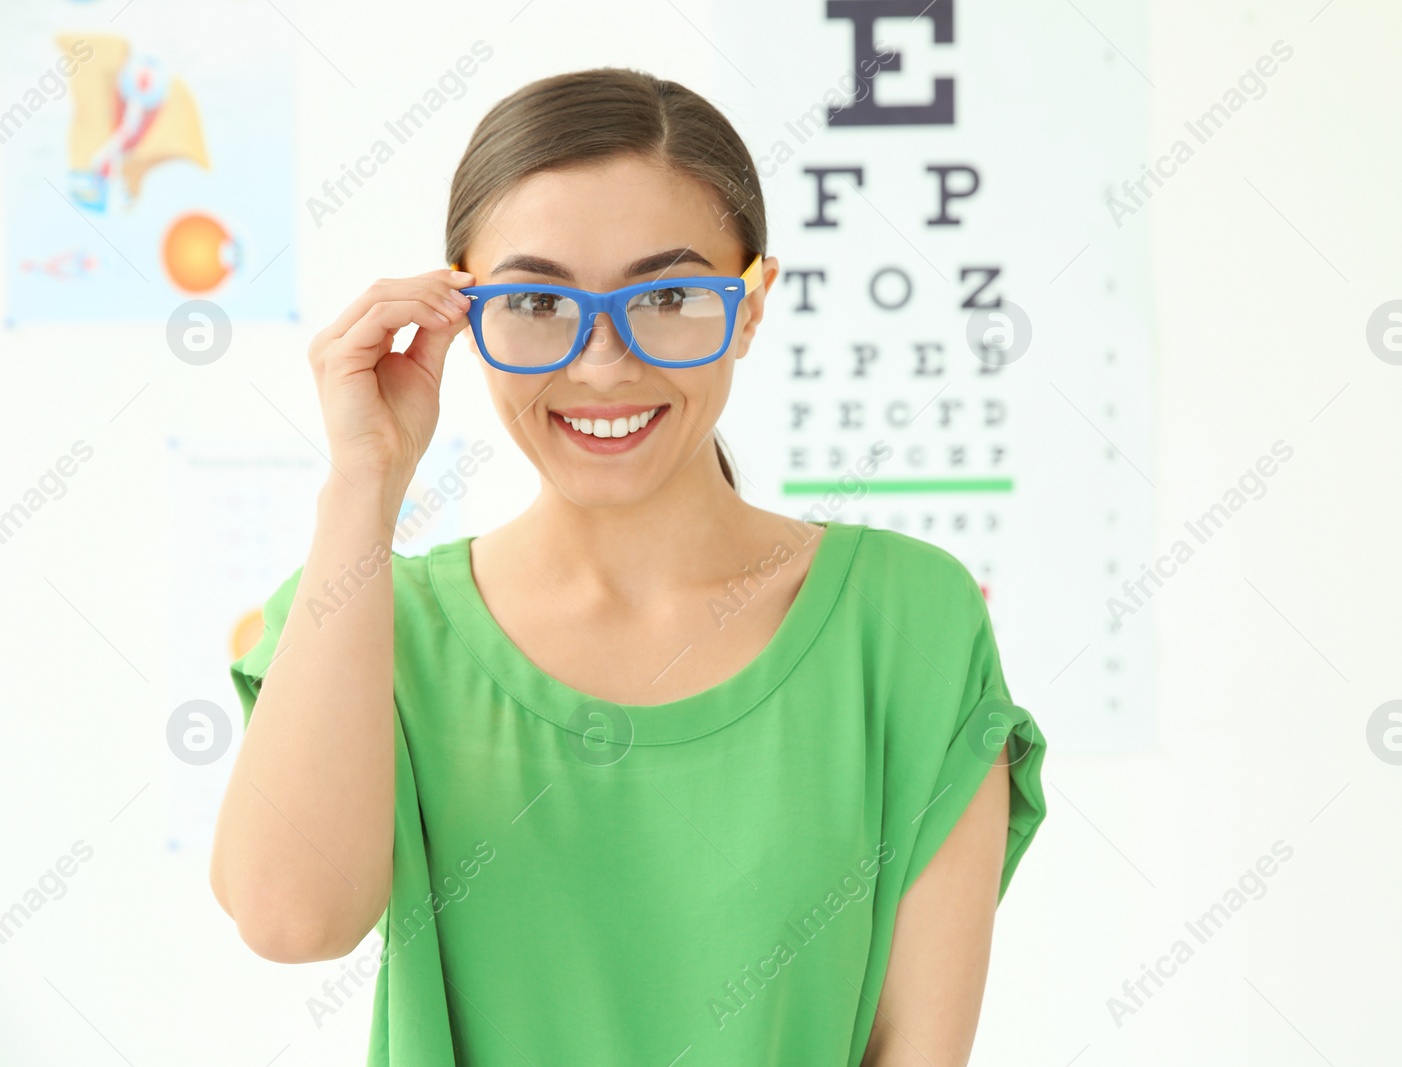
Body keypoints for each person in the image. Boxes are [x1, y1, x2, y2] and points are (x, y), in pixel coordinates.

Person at [209, 66, 1047, 1066]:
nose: (602, 362)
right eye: (535, 301)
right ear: (461, 315)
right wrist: (365, 478)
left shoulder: (907, 620)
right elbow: (291, 919)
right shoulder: (372, 620)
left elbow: (916, 1047)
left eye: (671, 295)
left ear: (751, 302)